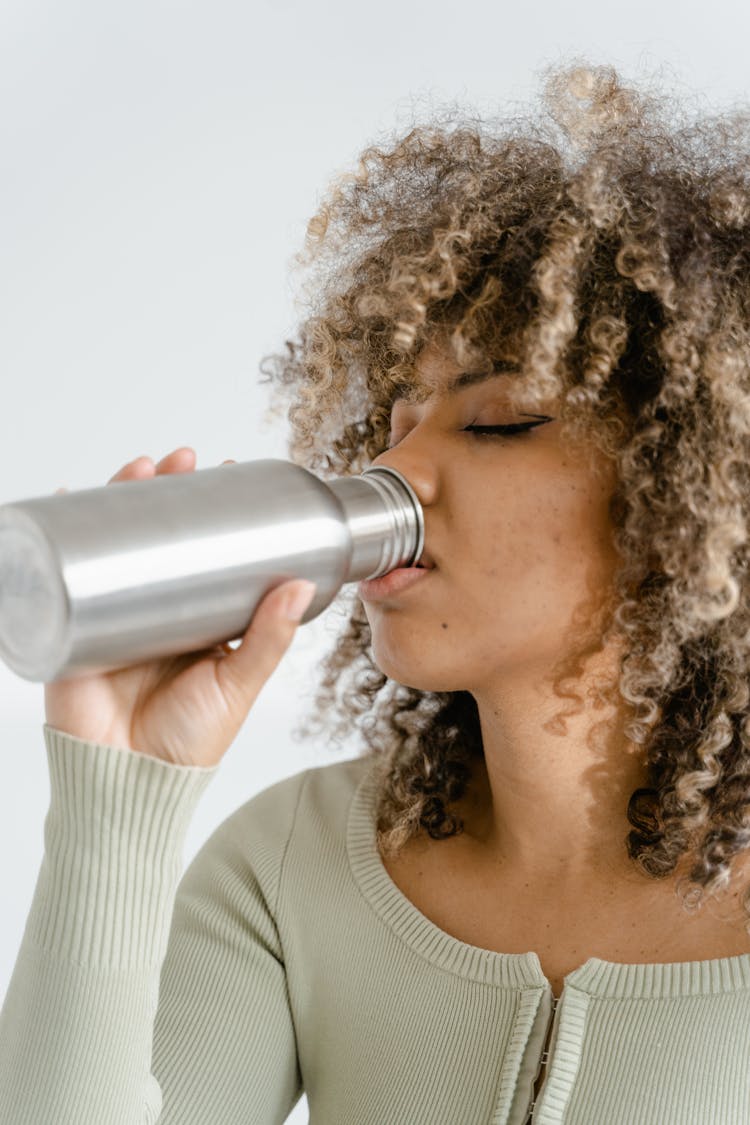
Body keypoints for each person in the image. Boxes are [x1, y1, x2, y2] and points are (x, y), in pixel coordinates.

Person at [2, 58, 750, 1124]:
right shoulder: (291, 865)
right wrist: (112, 799)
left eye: (497, 421)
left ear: (693, 487)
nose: (398, 473)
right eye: (394, 425)